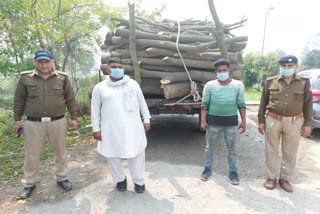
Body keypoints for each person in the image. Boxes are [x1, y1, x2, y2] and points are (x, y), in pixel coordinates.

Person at [13, 50, 78, 199]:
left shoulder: (62, 78)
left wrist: (73, 118)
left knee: (60, 152)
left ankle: (62, 178)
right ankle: (29, 183)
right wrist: (17, 120)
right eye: (40, 61)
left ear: (52, 62)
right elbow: (19, 100)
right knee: (31, 154)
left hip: (58, 121)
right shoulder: (25, 78)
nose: (44, 65)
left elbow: (70, 99)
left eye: (47, 61)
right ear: (35, 62)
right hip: (33, 123)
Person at [91, 57, 151, 193]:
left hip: (133, 127)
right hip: (110, 128)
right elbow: (94, 110)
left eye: (119, 67)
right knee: (112, 154)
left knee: (136, 153)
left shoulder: (133, 84)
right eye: (114, 67)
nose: (117, 69)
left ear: (123, 69)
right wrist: (96, 129)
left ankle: (139, 181)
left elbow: (142, 102)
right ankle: (120, 180)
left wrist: (146, 119)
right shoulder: (100, 88)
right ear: (107, 69)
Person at [258, 55, 313, 193]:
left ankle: (285, 179)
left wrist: (307, 124)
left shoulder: (304, 83)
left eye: (290, 66)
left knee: (290, 152)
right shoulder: (271, 82)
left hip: (294, 122)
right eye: (283, 66)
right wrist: (260, 122)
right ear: (280, 66)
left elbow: (308, 104)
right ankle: (271, 178)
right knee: (271, 150)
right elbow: (263, 102)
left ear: (296, 66)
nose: (286, 68)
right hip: (273, 120)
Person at [200, 59, 246, 185]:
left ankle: (233, 172)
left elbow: (241, 104)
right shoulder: (210, 85)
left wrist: (243, 121)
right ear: (216, 72)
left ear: (229, 70)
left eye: (224, 70)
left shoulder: (238, 85)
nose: (222, 72)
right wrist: (203, 120)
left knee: (232, 149)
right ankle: (207, 169)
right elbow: (204, 105)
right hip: (213, 122)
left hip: (231, 123)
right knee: (209, 147)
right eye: (219, 71)